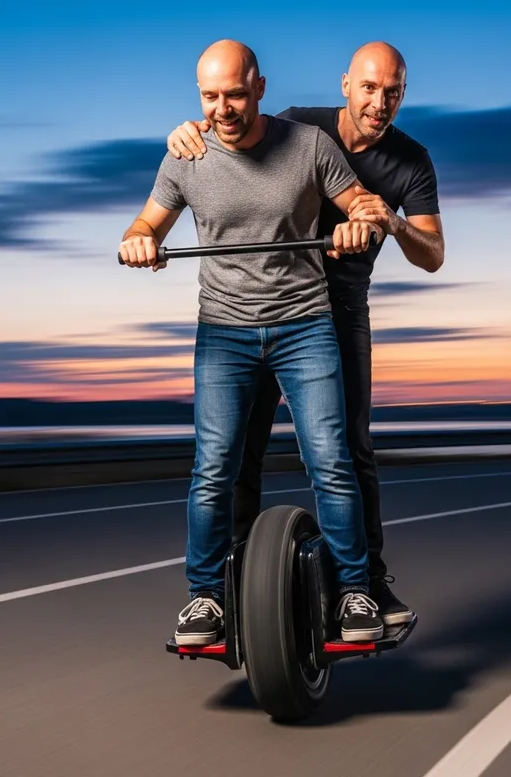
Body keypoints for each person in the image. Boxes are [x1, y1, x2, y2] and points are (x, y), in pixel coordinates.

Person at [119, 39, 389, 647]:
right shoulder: (185, 156)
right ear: (199, 96)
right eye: (211, 97)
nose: (224, 109)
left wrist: (358, 223)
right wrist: (138, 240)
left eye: (236, 95)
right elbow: (145, 223)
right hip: (224, 334)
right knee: (214, 467)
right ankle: (205, 598)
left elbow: (362, 206)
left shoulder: (309, 146)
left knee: (331, 462)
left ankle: (355, 591)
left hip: (306, 326)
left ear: (260, 88)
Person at [166, 41, 445, 626]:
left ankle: (364, 584)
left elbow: (433, 255)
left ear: (403, 96)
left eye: (392, 91)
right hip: (260, 307)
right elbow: (235, 133)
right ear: (346, 85)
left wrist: (387, 222)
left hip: (336, 309)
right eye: (369, 87)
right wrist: (188, 133)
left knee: (346, 451)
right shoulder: (299, 128)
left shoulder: (411, 160)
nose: (379, 102)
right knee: (236, 453)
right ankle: (230, 586)